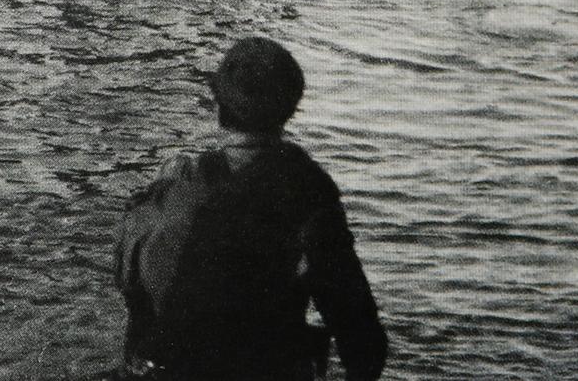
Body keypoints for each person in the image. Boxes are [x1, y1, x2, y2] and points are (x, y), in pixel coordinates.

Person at [114, 36, 388, 381]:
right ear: (290, 110)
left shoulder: (172, 184)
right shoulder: (306, 193)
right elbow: (363, 344)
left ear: (218, 107)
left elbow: (131, 290)